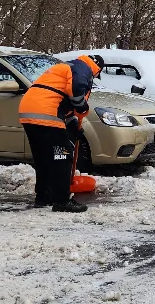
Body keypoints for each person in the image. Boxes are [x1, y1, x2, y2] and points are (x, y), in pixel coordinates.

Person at [18, 54, 103, 213]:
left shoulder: (67, 67)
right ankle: (62, 200)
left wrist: (73, 127)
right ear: (97, 69)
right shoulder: (83, 68)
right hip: (47, 113)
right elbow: (77, 90)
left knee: (43, 157)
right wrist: (82, 106)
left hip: (29, 111)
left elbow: (62, 101)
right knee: (63, 155)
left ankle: (43, 197)